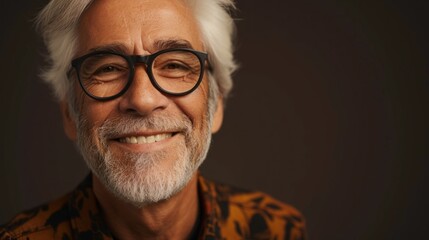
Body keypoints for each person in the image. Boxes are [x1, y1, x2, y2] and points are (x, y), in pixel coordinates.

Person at [0, 0, 306, 239]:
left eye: (174, 65)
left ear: (218, 103)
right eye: (107, 69)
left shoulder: (275, 230)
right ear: (69, 112)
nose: (143, 100)